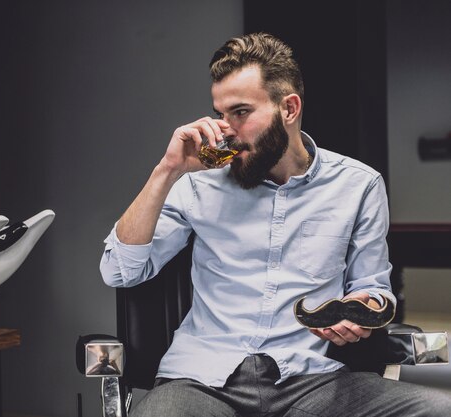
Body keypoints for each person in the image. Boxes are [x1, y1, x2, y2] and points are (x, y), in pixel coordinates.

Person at [99, 33, 451, 416]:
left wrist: (360, 307)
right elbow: (121, 271)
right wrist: (166, 171)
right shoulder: (197, 184)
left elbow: (372, 287)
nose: (225, 129)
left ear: (289, 108)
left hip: (313, 383)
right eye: (220, 113)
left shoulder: (358, 185)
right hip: (202, 382)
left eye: (241, 112)